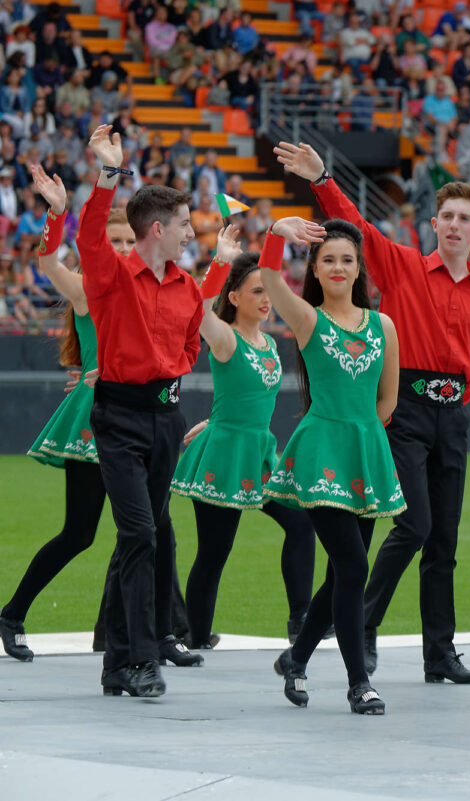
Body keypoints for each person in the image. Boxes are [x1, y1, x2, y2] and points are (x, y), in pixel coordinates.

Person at [274, 141, 470, 684]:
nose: (454, 225)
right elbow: (354, 228)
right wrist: (323, 178)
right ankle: (365, 628)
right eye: (446, 216)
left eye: (465, 219)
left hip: (452, 415)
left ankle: (438, 654)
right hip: (403, 411)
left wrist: (453, 406)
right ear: (432, 223)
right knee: (412, 526)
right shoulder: (399, 266)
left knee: (443, 539)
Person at [0, 172, 193, 668]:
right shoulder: (94, 286)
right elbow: (47, 261)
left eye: (130, 238)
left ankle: (159, 633)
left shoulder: (160, 281)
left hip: (139, 408)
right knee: (84, 533)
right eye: (117, 240)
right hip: (96, 417)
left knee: (154, 529)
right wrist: (57, 213)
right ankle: (13, 615)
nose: (126, 246)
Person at [74, 125, 202, 697]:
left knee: (138, 540)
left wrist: (170, 370)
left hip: (166, 419)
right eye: (183, 227)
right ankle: (143, 659)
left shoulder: (188, 287)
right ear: (158, 228)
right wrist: (108, 175)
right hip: (119, 419)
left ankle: (116, 665)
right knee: (143, 534)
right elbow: (90, 241)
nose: (189, 236)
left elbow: (193, 344)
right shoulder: (110, 276)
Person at [259, 217, 404, 715]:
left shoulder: (383, 325)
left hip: (365, 453)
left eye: (347, 259)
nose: (338, 267)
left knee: (344, 573)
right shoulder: (307, 319)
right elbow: (271, 279)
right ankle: (358, 682)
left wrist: (362, 433)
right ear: (315, 270)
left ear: (359, 267)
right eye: (328, 260)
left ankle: (296, 660)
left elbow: (388, 401)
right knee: (353, 566)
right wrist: (278, 232)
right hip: (320, 454)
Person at [170, 227, 316, 649]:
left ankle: (300, 619)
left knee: (301, 523)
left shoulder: (269, 343)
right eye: (257, 291)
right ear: (234, 297)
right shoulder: (224, 338)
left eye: (269, 289)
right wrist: (220, 259)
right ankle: (196, 638)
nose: (267, 298)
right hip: (224, 454)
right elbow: (194, 307)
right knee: (215, 553)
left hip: (260, 453)